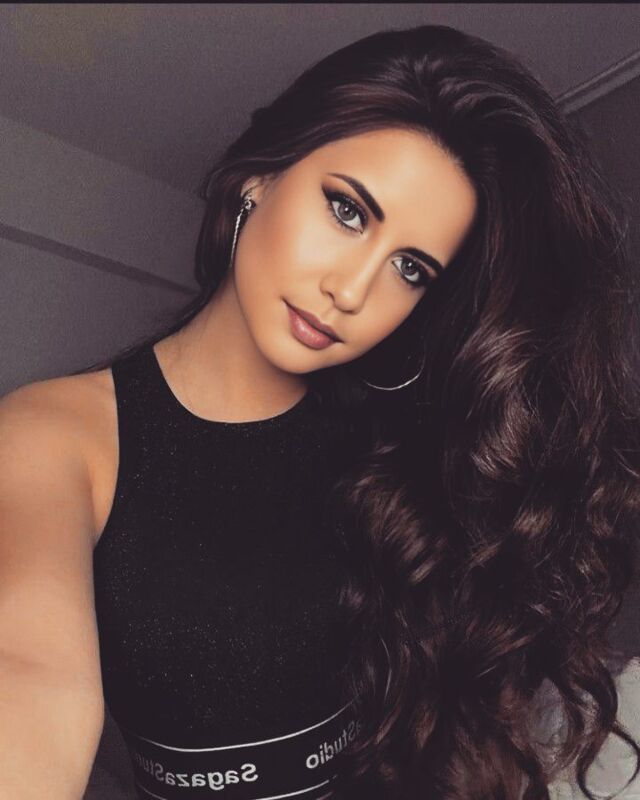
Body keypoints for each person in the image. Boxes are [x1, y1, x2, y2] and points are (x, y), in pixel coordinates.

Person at [0, 21, 639, 800]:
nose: (354, 290)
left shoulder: (396, 442)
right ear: (259, 178)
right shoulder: (59, 433)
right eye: (347, 211)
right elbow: (29, 674)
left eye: (410, 268)